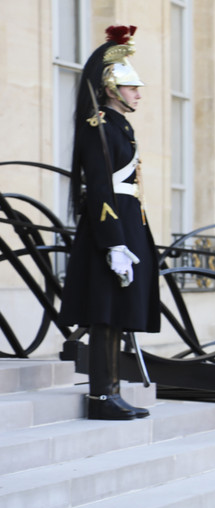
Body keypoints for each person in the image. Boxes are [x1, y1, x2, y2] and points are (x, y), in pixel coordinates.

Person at [58, 26, 160, 421]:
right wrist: (114, 242)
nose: (138, 93)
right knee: (104, 316)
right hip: (109, 229)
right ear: (111, 88)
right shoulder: (97, 126)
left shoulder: (119, 126)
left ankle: (112, 391)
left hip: (128, 224)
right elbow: (99, 189)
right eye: (131, 87)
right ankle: (101, 396)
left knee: (117, 316)